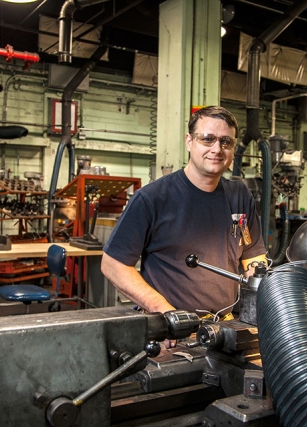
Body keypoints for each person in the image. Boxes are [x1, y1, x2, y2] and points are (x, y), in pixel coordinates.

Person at [101, 106, 267, 347]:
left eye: (226, 142)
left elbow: (253, 256)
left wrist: (258, 285)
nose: (216, 149)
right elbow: (112, 264)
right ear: (189, 141)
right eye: (207, 139)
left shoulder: (239, 196)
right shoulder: (152, 199)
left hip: (226, 329)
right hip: (173, 334)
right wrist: (164, 311)